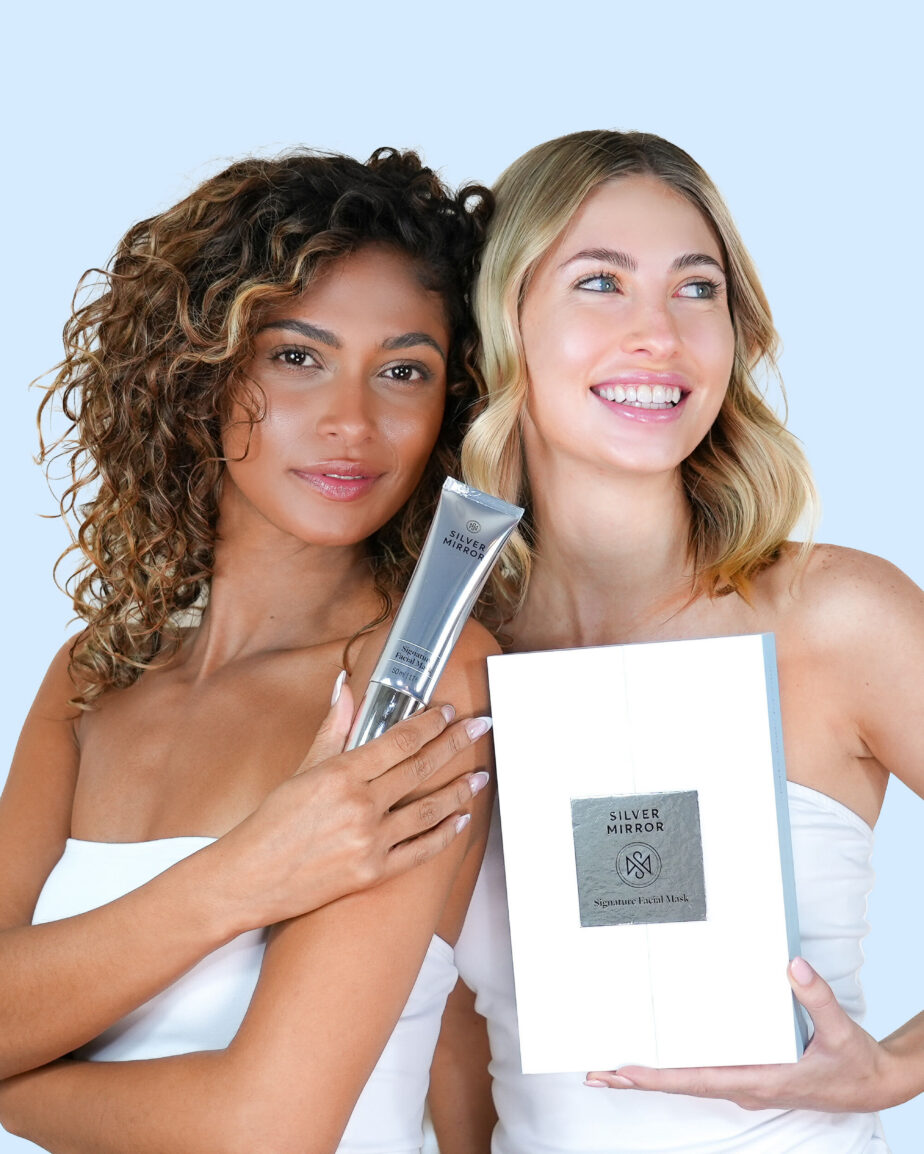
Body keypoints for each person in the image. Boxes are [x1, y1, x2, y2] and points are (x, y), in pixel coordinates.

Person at [431, 129, 924, 1153]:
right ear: (500, 323)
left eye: (698, 289)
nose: (660, 333)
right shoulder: (454, 659)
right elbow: (449, 1029)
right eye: (600, 282)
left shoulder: (840, 617)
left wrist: (896, 1070)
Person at [0, 147, 498, 1154]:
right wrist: (247, 873)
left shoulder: (418, 673)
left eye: (404, 371)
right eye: (298, 356)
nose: (352, 422)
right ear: (200, 370)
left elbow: (265, 1128)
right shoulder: (94, 676)